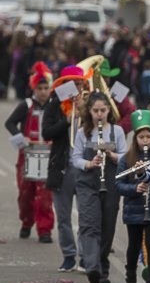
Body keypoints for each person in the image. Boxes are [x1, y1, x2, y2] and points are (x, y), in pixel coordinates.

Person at [71, 91, 126, 283]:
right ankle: (92, 266)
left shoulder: (116, 131)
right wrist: (89, 162)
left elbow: (125, 157)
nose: (100, 114)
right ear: (90, 111)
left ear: (109, 110)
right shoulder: (81, 132)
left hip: (110, 182)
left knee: (108, 226)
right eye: (96, 111)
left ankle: (102, 267)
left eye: (103, 110)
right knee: (89, 224)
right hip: (88, 181)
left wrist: (112, 155)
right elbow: (75, 158)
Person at [41, 65, 88, 271]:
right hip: (62, 167)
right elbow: (46, 133)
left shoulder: (90, 102)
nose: (77, 87)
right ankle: (69, 255)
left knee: (87, 216)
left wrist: (85, 112)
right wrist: (67, 121)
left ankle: (86, 256)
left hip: (86, 167)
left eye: (79, 83)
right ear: (64, 84)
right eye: (73, 83)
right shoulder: (55, 104)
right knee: (63, 216)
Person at [5, 61, 55, 243]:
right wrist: (20, 137)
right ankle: (26, 222)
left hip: (48, 155)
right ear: (34, 88)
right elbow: (9, 123)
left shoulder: (55, 106)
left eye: (46, 87)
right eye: (39, 88)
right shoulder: (25, 105)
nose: (43, 91)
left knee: (44, 196)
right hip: (27, 155)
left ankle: (45, 229)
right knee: (25, 193)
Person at [115, 110, 150, 283]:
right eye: (141, 137)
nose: (145, 140)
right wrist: (134, 189)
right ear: (135, 139)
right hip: (133, 208)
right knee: (133, 245)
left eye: (148, 136)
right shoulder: (126, 159)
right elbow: (118, 185)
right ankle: (131, 279)